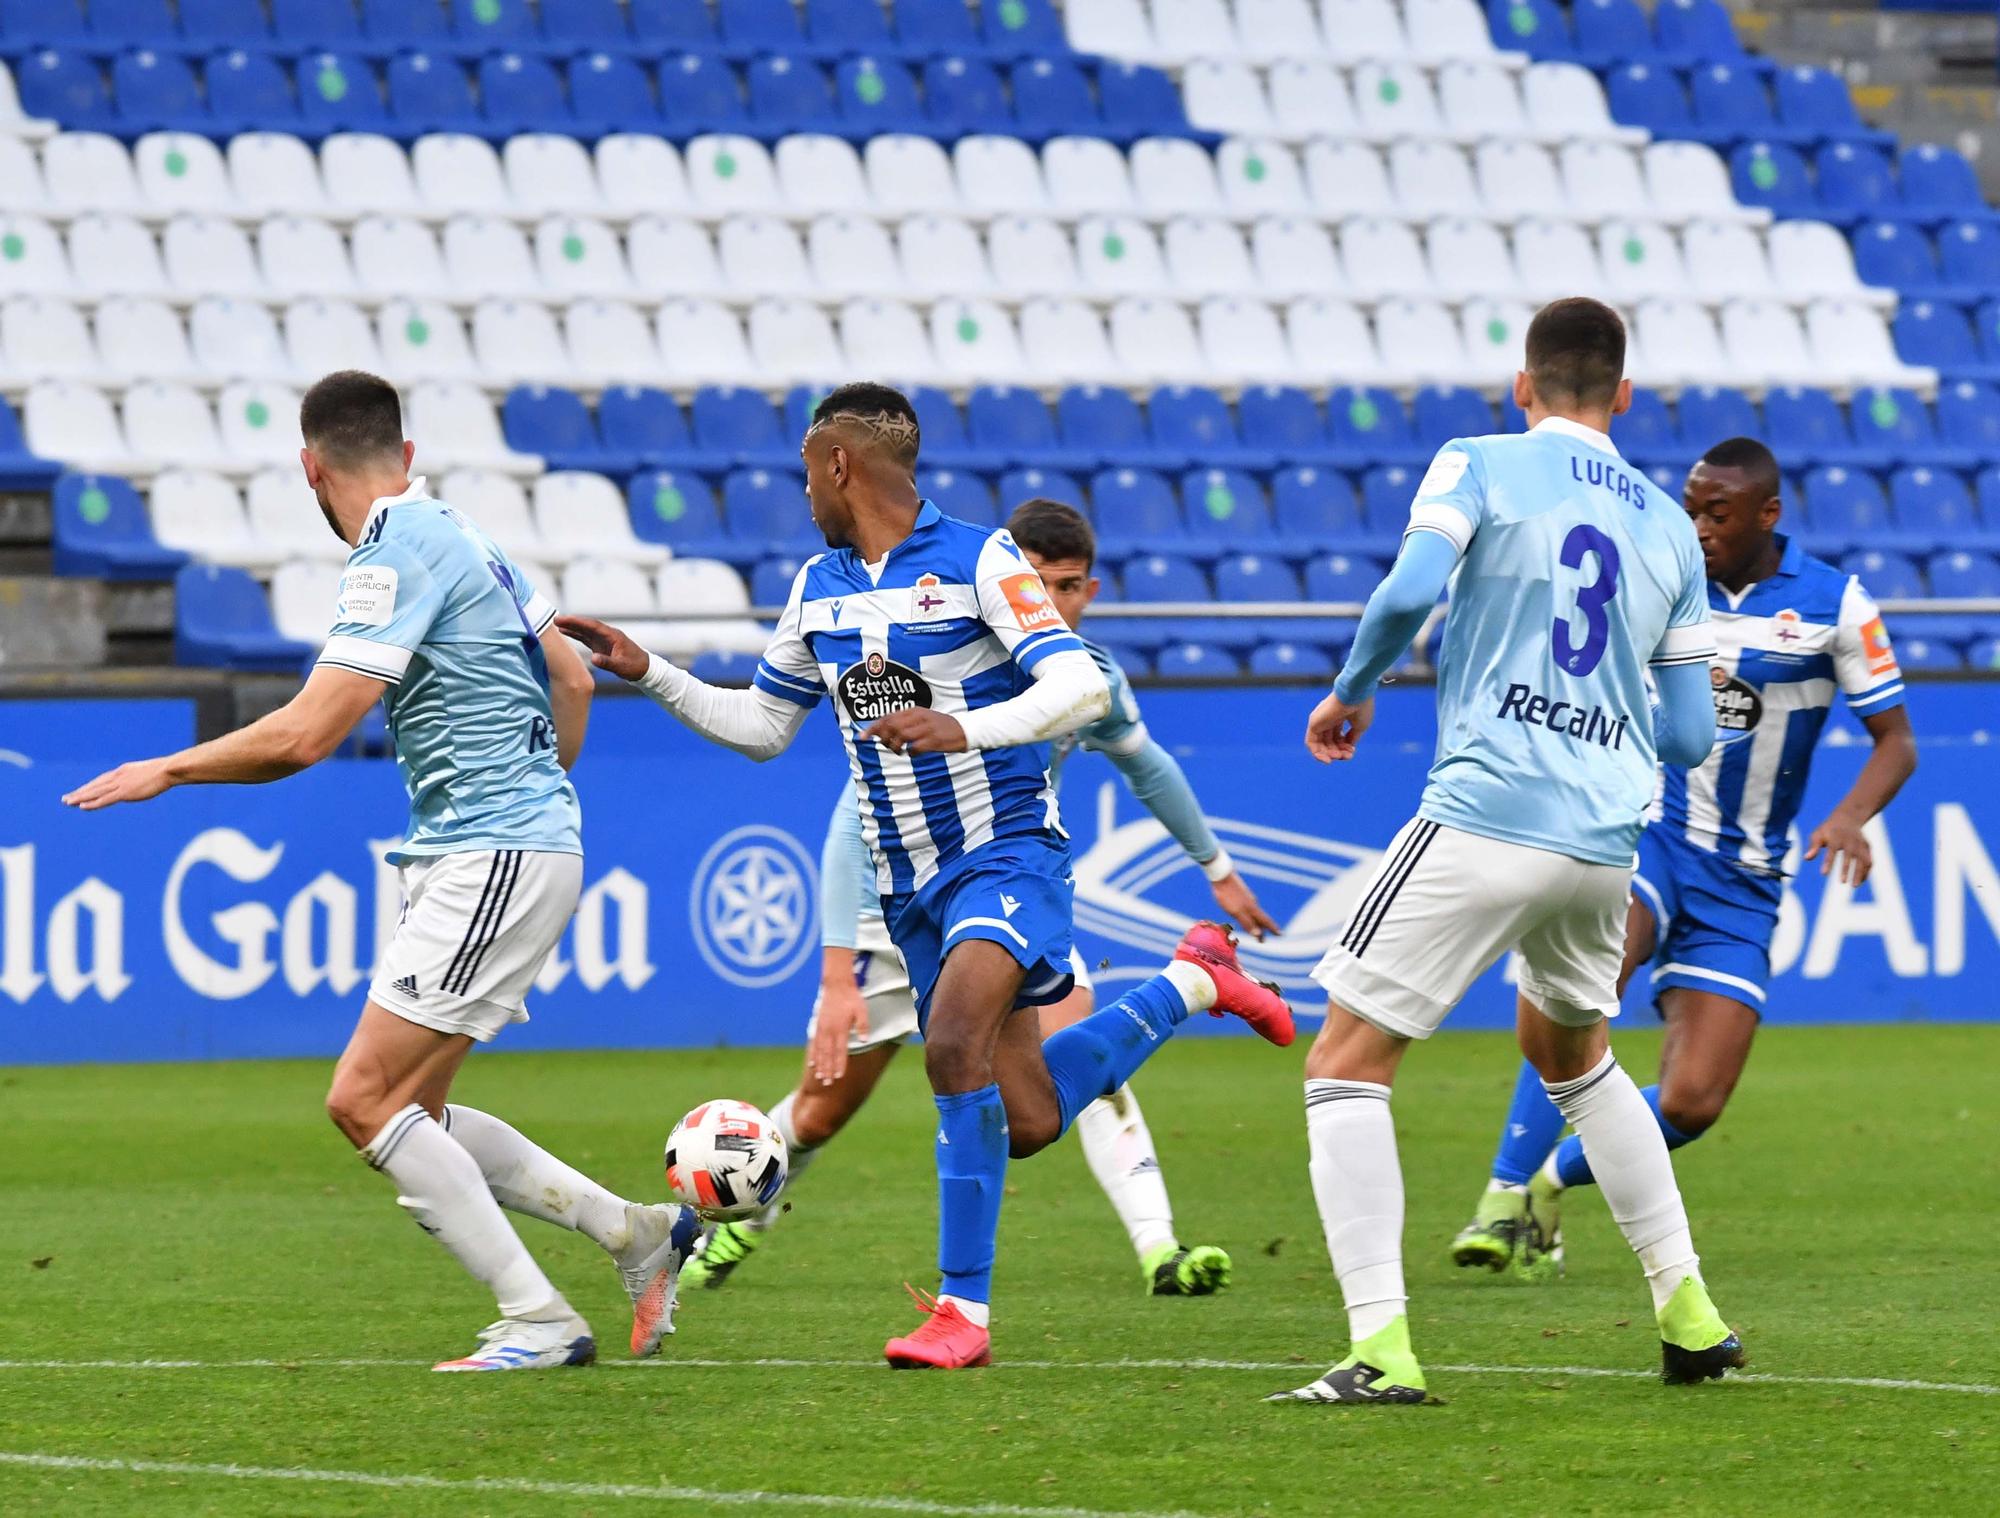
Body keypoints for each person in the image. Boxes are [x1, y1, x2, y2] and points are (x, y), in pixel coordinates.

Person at [560, 383, 1295, 1371]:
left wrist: (963, 726)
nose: (803, 493)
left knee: (950, 1042)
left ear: (836, 464)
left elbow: (1074, 680)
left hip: (1007, 854)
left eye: (806, 473)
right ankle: (1192, 980)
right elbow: (762, 728)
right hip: (909, 890)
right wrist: (649, 669)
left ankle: (962, 1315)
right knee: (1028, 1118)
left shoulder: (981, 557)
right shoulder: (816, 587)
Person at [62, 370, 697, 1373]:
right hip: (507, 844)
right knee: (417, 1114)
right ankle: (633, 1233)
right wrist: (538, 787)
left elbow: (308, 734)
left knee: (361, 1100)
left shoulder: (391, 552)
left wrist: (169, 768)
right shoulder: (469, 535)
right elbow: (570, 675)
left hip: (491, 850)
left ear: (310, 470)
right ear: (404, 455)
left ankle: (536, 1318)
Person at [1267, 298, 1742, 1407]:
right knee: (1573, 1055)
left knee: (1341, 1061)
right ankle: (1689, 1314)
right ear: (1622, 396)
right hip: (1603, 843)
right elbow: (1683, 736)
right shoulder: (1672, 533)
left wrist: (1349, 692)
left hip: (1488, 811)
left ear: (1519, 386)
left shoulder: (1475, 461)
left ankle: (1379, 1350)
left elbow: (1409, 592)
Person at [683, 499, 1282, 1299]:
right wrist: (837, 974)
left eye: (1067, 588)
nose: (1053, 604)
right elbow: (845, 824)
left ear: (1088, 593)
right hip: (893, 904)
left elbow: (1150, 767)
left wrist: (1217, 868)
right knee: (822, 1113)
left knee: (1065, 1072)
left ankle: (1157, 1249)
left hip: (1009, 888)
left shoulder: (1084, 677)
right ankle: (738, 1226)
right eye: (1037, 585)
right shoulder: (947, 657)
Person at [1451, 436, 1916, 1277]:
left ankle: (1552, 1183)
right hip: (1649, 836)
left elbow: (1896, 742)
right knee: (1584, 990)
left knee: (1696, 1101)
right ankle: (1500, 1195)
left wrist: (1850, 816)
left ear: (1768, 515)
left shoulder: (1834, 604)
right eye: (1692, 506)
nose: (1697, 524)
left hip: (1746, 880)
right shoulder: (1661, 575)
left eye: (1718, 512)